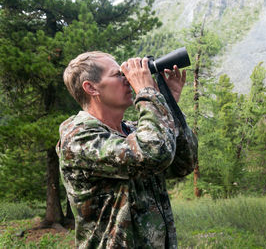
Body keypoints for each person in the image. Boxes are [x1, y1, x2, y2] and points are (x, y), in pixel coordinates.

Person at [56, 51, 198, 248]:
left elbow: (182, 164)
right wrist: (148, 92)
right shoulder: (79, 138)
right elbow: (152, 154)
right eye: (118, 74)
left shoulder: (132, 131)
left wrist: (167, 102)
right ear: (91, 88)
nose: (128, 79)